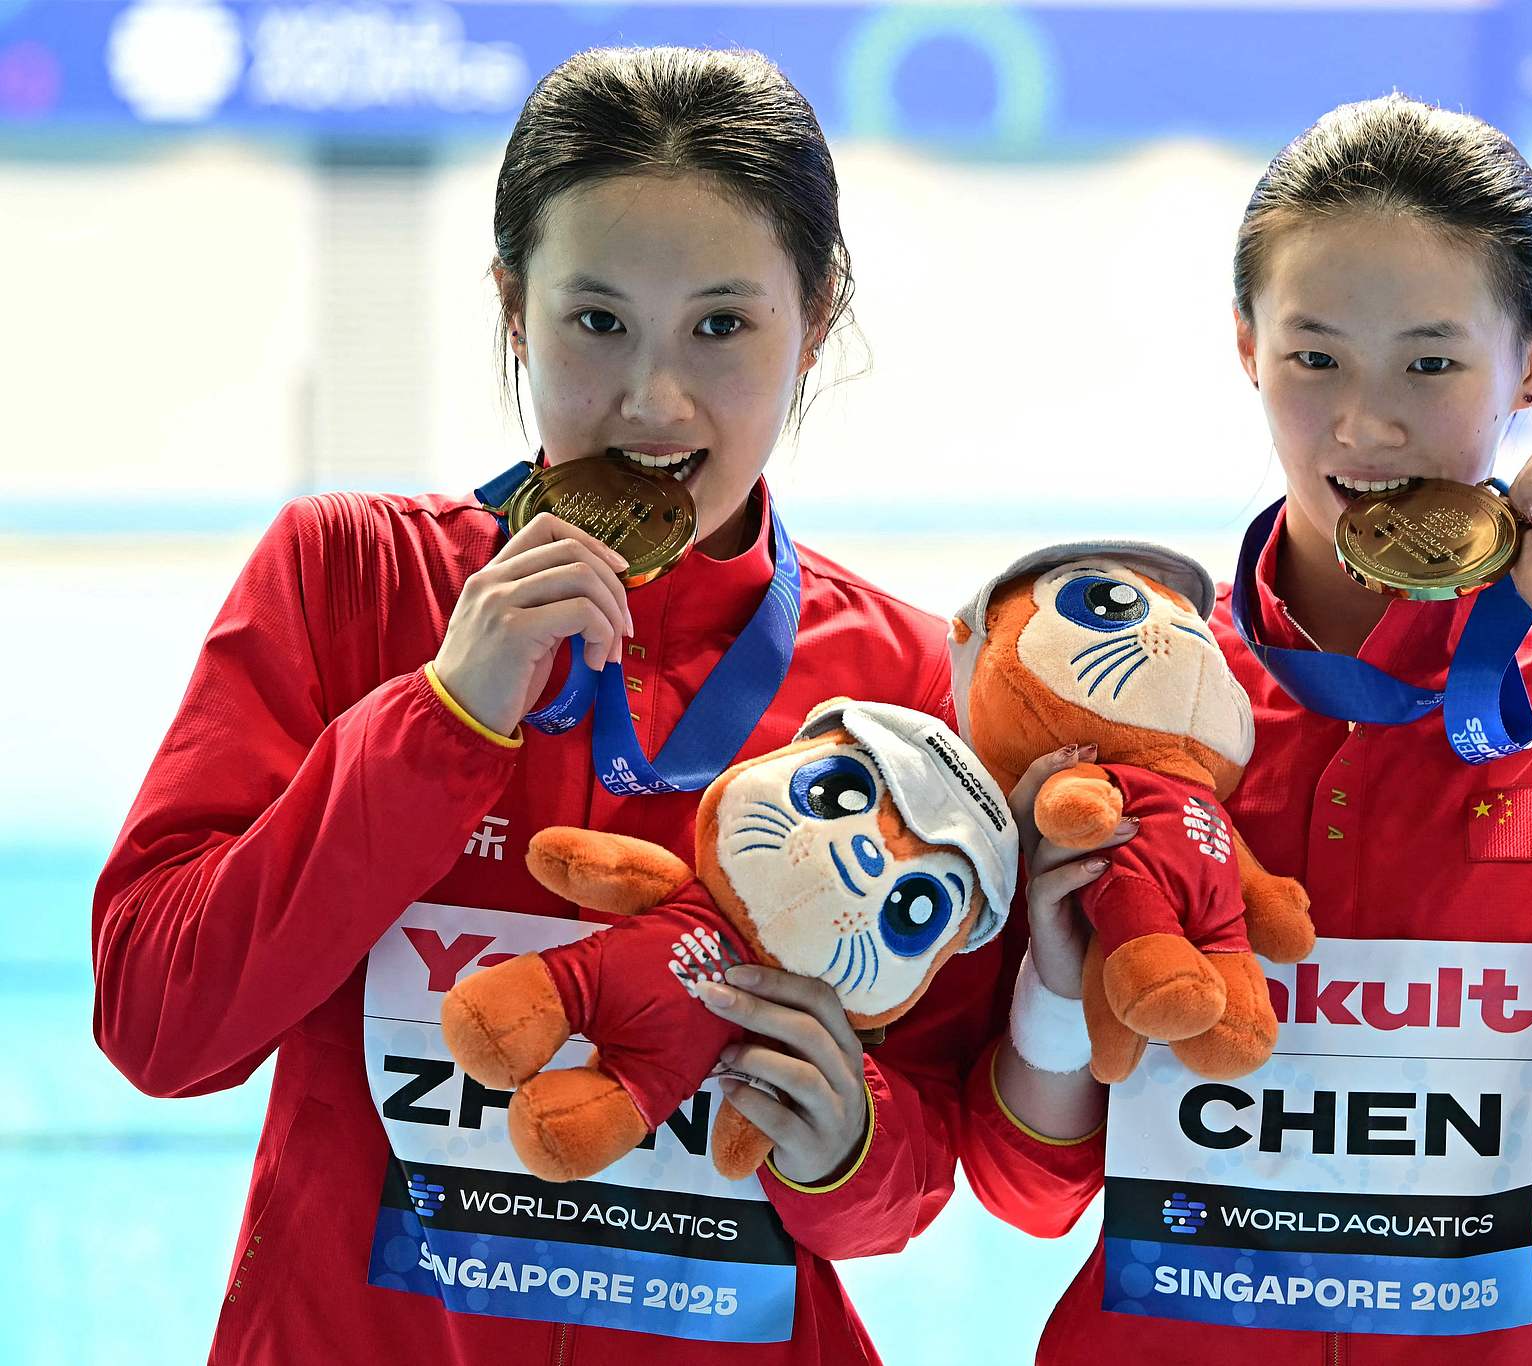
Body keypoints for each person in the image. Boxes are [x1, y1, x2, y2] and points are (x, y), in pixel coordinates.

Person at [92, 46, 991, 1365]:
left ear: (818, 307)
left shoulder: (900, 686)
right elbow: (162, 1025)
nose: (652, 398)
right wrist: (441, 718)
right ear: (515, 306)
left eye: (722, 325)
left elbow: (922, 1168)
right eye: (598, 319)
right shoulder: (350, 580)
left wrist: (850, 1140)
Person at [958, 93, 1532, 1364]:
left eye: (1430, 362)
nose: (1364, 427)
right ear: (1245, 345)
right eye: (1315, 356)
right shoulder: (1124, 702)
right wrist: (1050, 974)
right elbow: (1027, 1187)